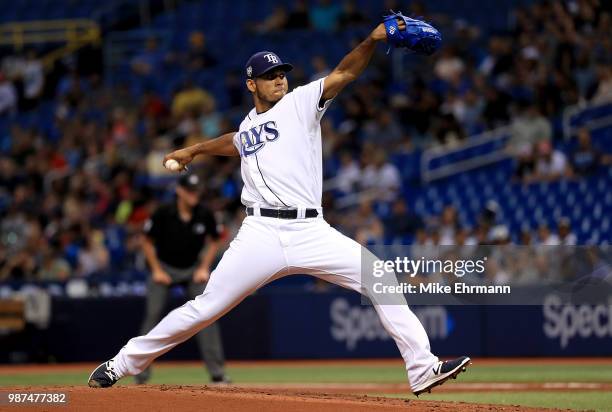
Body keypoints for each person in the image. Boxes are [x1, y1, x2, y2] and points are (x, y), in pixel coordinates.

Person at [89, 19, 470, 396]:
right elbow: (236, 140)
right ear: (251, 84)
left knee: (380, 277)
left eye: (281, 73)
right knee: (205, 308)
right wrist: (195, 149)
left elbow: (344, 73)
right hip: (261, 234)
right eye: (269, 75)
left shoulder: (302, 103)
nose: (279, 79)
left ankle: (422, 368)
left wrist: (371, 40)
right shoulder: (249, 124)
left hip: (311, 231)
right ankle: (123, 363)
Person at [135, 173, 229, 384]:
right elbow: (146, 241)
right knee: (152, 315)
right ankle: (140, 374)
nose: (194, 195)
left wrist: (204, 267)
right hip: (165, 268)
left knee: (207, 315)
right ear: (179, 191)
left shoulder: (204, 213)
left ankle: (218, 373)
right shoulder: (163, 212)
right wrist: (157, 270)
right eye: (190, 190)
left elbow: (215, 240)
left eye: (196, 191)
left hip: (192, 269)